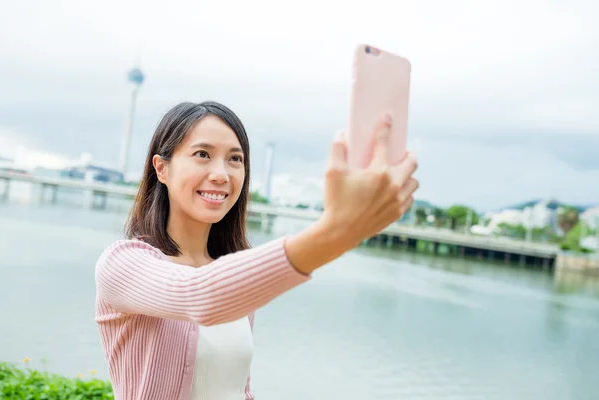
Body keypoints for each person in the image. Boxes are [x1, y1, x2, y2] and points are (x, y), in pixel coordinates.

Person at [94, 100, 419, 400]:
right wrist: (338, 232)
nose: (221, 175)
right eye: (202, 154)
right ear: (161, 169)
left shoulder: (232, 272)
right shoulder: (123, 264)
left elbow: (238, 388)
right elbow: (198, 296)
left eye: (235, 159)